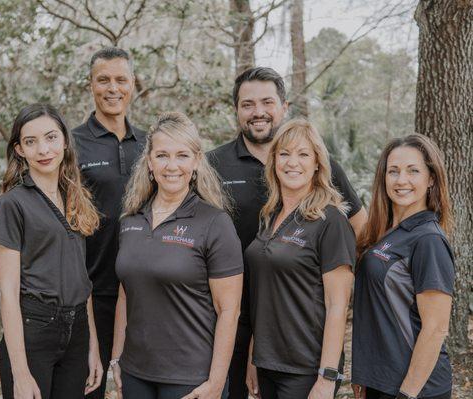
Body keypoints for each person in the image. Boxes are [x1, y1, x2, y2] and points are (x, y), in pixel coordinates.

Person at [207, 66, 366, 399]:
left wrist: (329, 373)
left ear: (283, 105)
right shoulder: (266, 211)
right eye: (247, 104)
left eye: (267, 102)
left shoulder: (330, 216)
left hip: (303, 342)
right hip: (244, 332)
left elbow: (359, 233)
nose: (258, 111)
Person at [110, 112, 243, 399]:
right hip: (136, 374)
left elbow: (229, 311)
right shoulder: (130, 220)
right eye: (162, 155)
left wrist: (216, 383)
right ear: (149, 161)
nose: (172, 166)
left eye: (182, 155)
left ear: (196, 162)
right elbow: (125, 294)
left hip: (191, 379)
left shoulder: (214, 223)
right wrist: (116, 359)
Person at [0, 104, 102, 399]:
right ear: (19, 150)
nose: (43, 149)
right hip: (34, 330)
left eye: (51, 137)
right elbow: (8, 291)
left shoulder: (76, 198)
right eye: (31, 141)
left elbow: (83, 279)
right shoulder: (12, 204)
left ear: (65, 141)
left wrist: (92, 345)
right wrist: (20, 371)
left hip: (77, 331)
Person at [244, 119, 355, 399]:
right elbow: (265, 291)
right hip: (267, 362)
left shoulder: (331, 221)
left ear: (318, 163)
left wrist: (327, 377)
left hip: (305, 368)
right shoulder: (269, 216)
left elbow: (337, 305)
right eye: (284, 153)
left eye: (303, 154)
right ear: (273, 161)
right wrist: (253, 358)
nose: (292, 162)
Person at [352, 134, 455, 399]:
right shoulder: (386, 233)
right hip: (381, 381)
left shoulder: (428, 239)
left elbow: (436, 328)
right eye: (393, 171)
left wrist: (407, 394)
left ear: (431, 178)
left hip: (415, 389)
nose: (401, 181)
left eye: (413, 171)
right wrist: (364, 375)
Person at [72, 47, 147, 399]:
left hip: (146, 292)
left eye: (121, 80)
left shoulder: (150, 145)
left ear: (133, 85)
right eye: (103, 80)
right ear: (90, 85)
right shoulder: (70, 145)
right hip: (91, 292)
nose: (112, 88)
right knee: (90, 387)